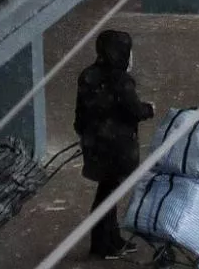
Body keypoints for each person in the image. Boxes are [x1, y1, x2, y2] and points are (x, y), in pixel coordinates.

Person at [74, 30, 155, 260]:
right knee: (108, 194)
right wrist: (149, 109)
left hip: (96, 145)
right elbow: (134, 110)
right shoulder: (120, 80)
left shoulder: (88, 76)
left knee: (107, 190)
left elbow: (81, 113)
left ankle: (111, 238)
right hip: (117, 148)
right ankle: (103, 243)